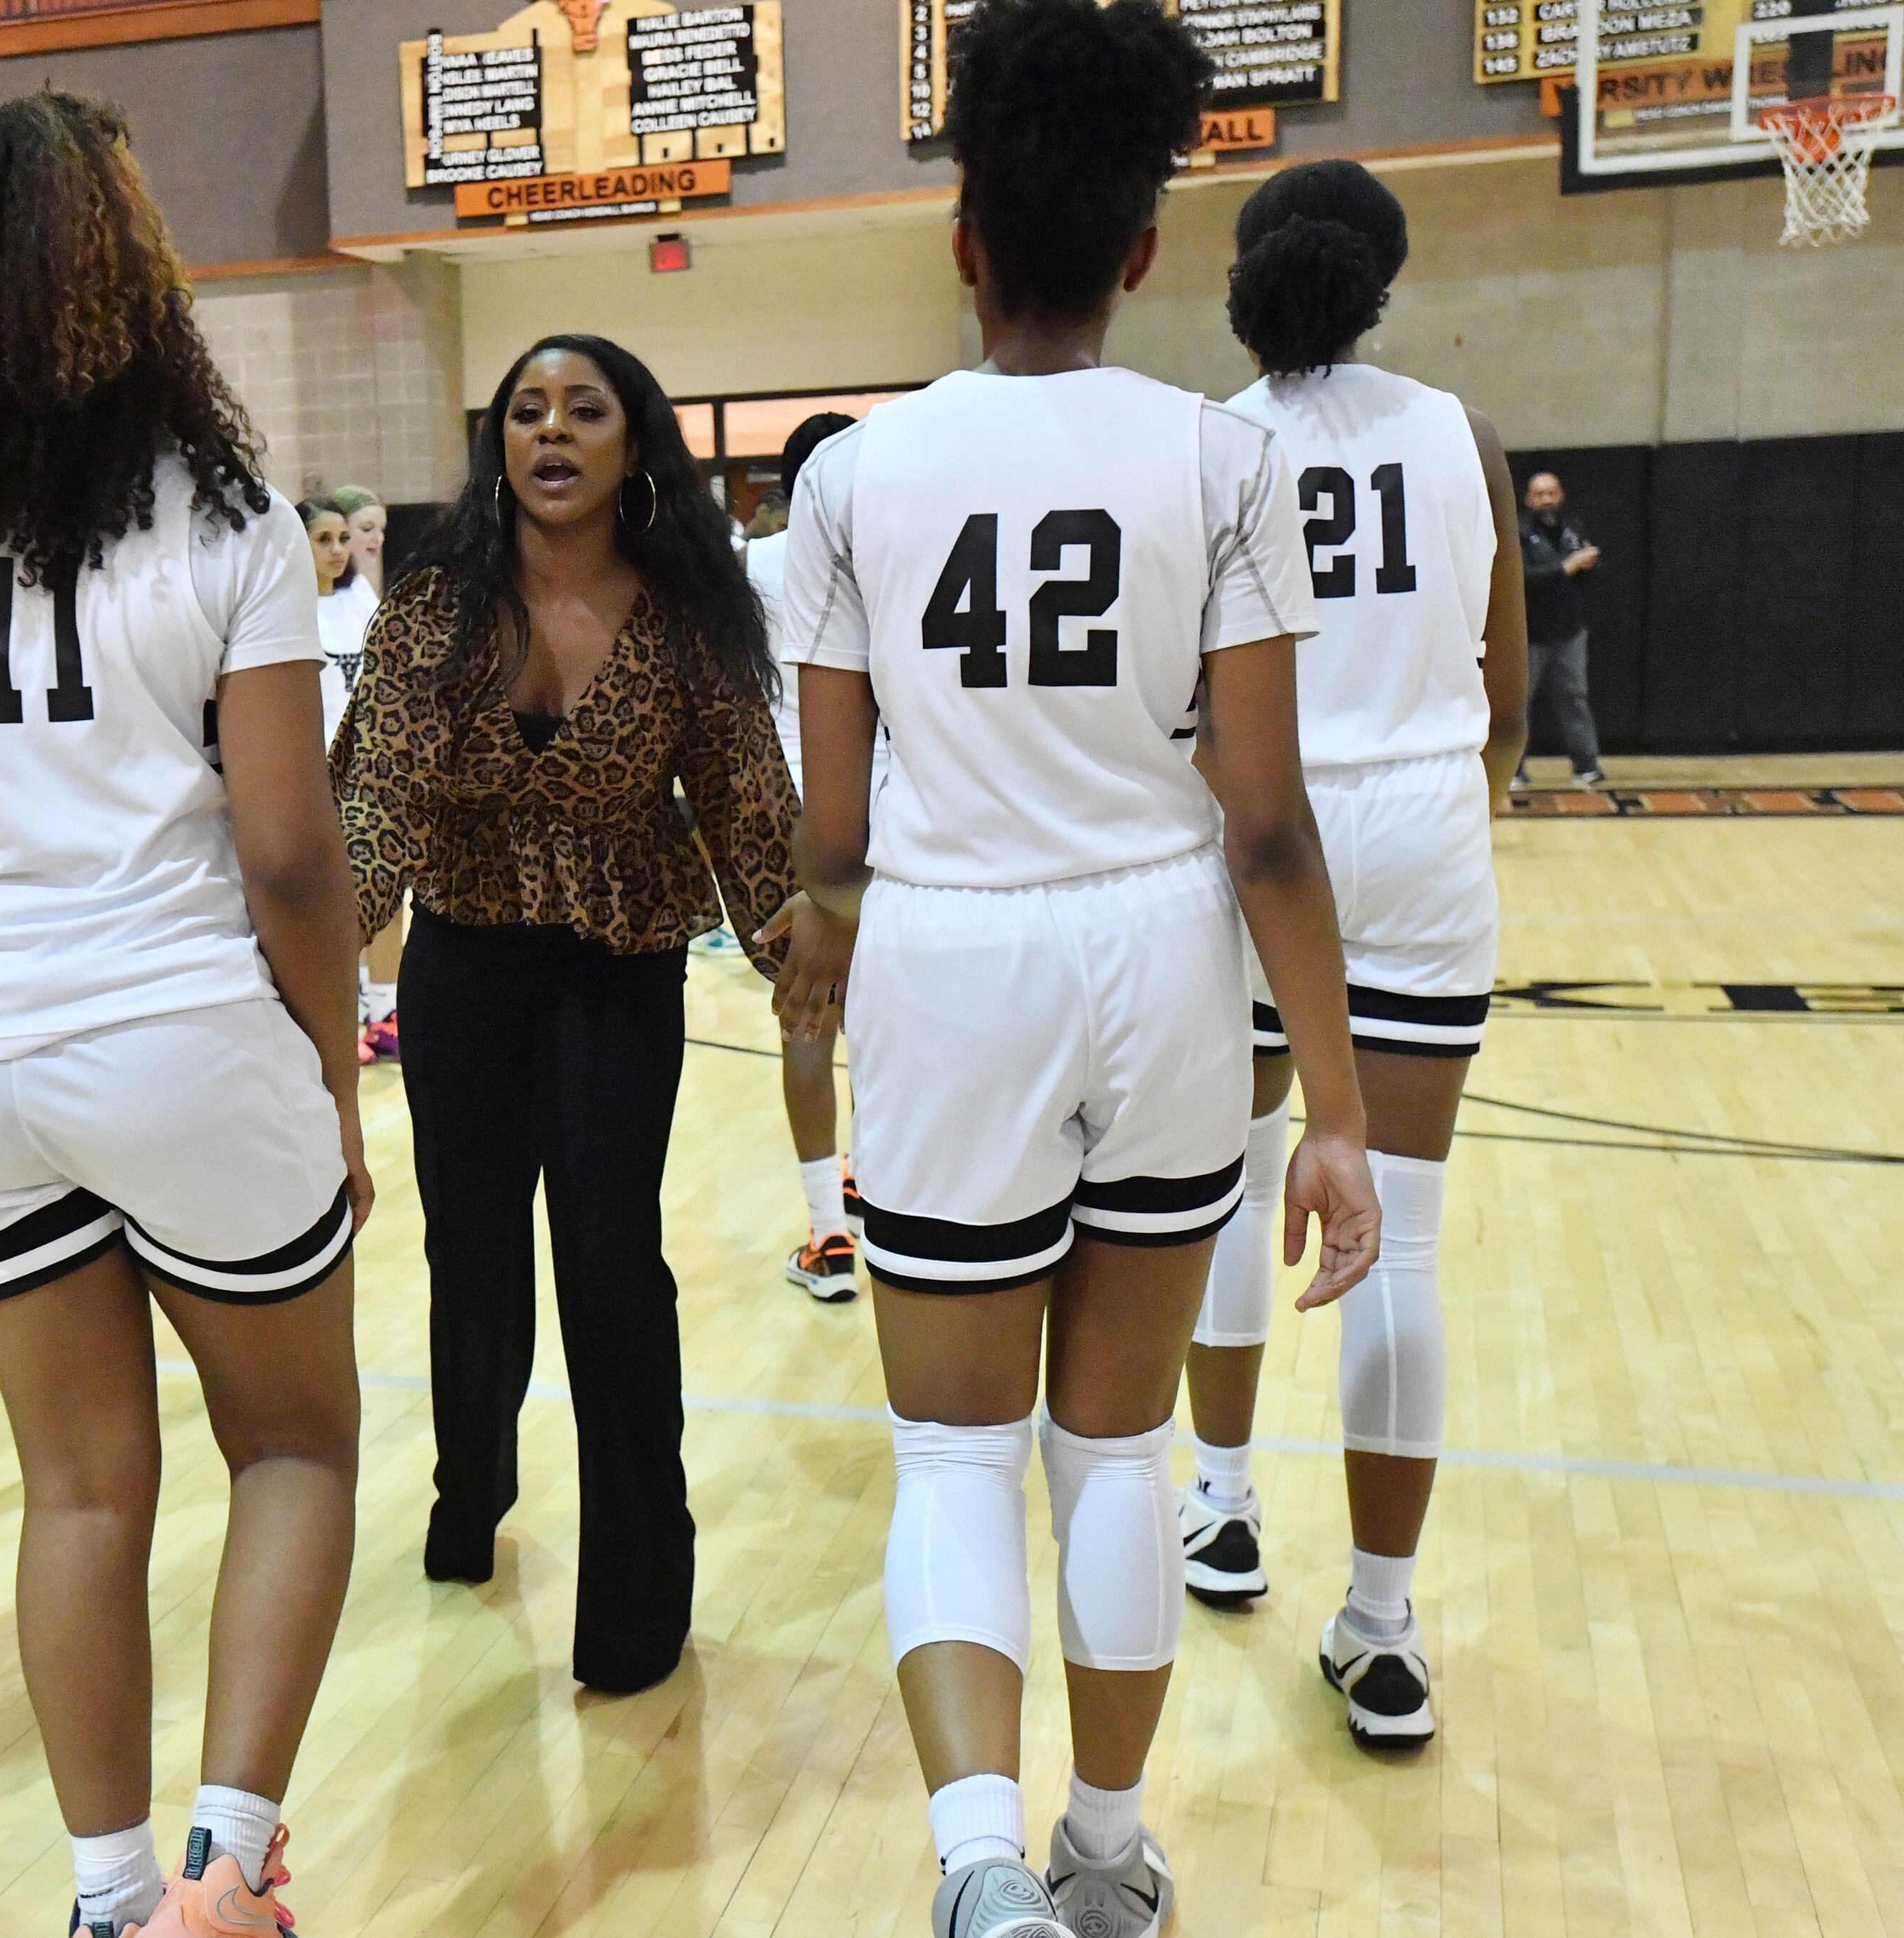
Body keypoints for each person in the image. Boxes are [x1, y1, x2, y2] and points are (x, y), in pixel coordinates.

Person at [769, 6, 1383, 1934]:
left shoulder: (855, 476)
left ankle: (976, 1873)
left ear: (961, 240)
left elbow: (833, 831)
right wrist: (1341, 1116)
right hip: (1165, 962)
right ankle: (1106, 1863)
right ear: (1141, 251)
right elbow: (1268, 820)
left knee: (951, 1450)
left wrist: (813, 968)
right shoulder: (1221, 460)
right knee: (1111, 1458)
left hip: (952, 963)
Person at [0, 92, 368, 1938]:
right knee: (293, 1444)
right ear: (135, 279)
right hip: (182, 1024)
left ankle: (108, 1895)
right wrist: (337, 1066)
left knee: (79, 1489)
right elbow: (285, 849)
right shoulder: (228, 513)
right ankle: (226, 1865)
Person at [335, 330, 828, 1695]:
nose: (550, 430)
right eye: (527, 410)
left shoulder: (685, 615)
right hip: (464, 965)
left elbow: (743, 789)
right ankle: (468, 1486)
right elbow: (378, 794)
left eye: (585, 409)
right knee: (472, 1253)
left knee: (612, 1261)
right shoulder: (434, 607)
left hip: (619, 967)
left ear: (633, 443)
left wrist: (802, 934)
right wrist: (322, 935)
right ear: (499, 444)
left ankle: (634, 1595)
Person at [1178, 157, 1530, 1752]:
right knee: (1398, 1230)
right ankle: (1382, 1627)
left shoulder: (1208, 444)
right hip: (1428, 827)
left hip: (1264, 830)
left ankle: (1225, 1504)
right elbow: (1508, 703)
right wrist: (1453, 822)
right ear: (1385, 278)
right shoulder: (1468, 436)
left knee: (1245, 1189)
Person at [744, 409, 877, 1301]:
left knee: (805, 1019)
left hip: (777, 811)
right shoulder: (886, 552)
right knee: (885, 1014)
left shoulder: (749, 565)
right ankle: (875, 1182)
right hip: (873, 799)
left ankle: (828, 1233)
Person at [325, 485, 404, 1054]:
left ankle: (385, 1009)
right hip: (317, 771)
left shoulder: (364, 600)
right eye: (360, 530)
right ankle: (343, 1011)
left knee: (387, 892)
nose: (369, 541)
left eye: (378, 529)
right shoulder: (295, 604)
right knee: (334, 896)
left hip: (370, 771)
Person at [1516, 470, 1605, 789]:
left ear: (1561, 495)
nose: (1546, 500)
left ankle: (1587, 766)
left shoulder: (1573, 528)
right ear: (1529, 499)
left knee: (1574, 698)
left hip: (1570, 633)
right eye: (1539, 494)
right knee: (1519, 705)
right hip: (1529, 637)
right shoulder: (1519, 532)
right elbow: (1522, 578)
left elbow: (1589, 571)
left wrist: (1589, 563)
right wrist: (1564, 568)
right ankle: (1513, 770)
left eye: (1551, 493)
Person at [301, 495, 376, 749]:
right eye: (324, 539)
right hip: (316, 753)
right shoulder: (288, 609)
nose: (338, 550)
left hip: (366, 750)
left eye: (343, 539)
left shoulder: (360, 594)